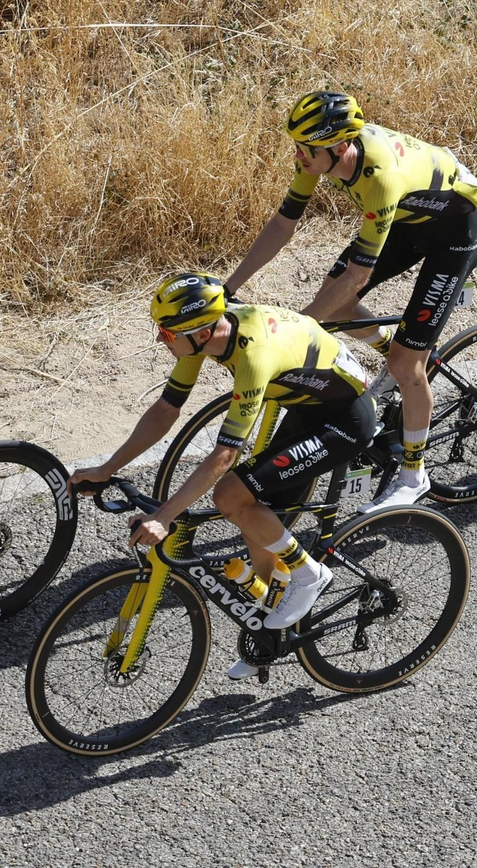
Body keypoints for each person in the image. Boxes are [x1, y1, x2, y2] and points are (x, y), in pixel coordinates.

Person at [71, 273, 375, 679]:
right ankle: (265, 634)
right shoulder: (205, 337)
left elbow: (225, 455)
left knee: (231, 496)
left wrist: (165, 516)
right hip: (308, 409)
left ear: (199, 331)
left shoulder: (252, 356)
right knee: (256, 517)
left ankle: (309, 573)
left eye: (165, 332)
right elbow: (165, 410)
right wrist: (107, 469)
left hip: (345, 420)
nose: (161, 340)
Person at [223, 91, 477, 509]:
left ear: (340, 145)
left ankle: (413, 474)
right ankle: (386, 352)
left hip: (455, 232)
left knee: (406, 363)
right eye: (296, 144)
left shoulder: (380, 175)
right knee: (337, 304)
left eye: (307, 147)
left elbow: (359, 275)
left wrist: (296, 330)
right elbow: (283, 224)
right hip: (407, 221)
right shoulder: (317, 155)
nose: (299, 155)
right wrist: (230, 286)